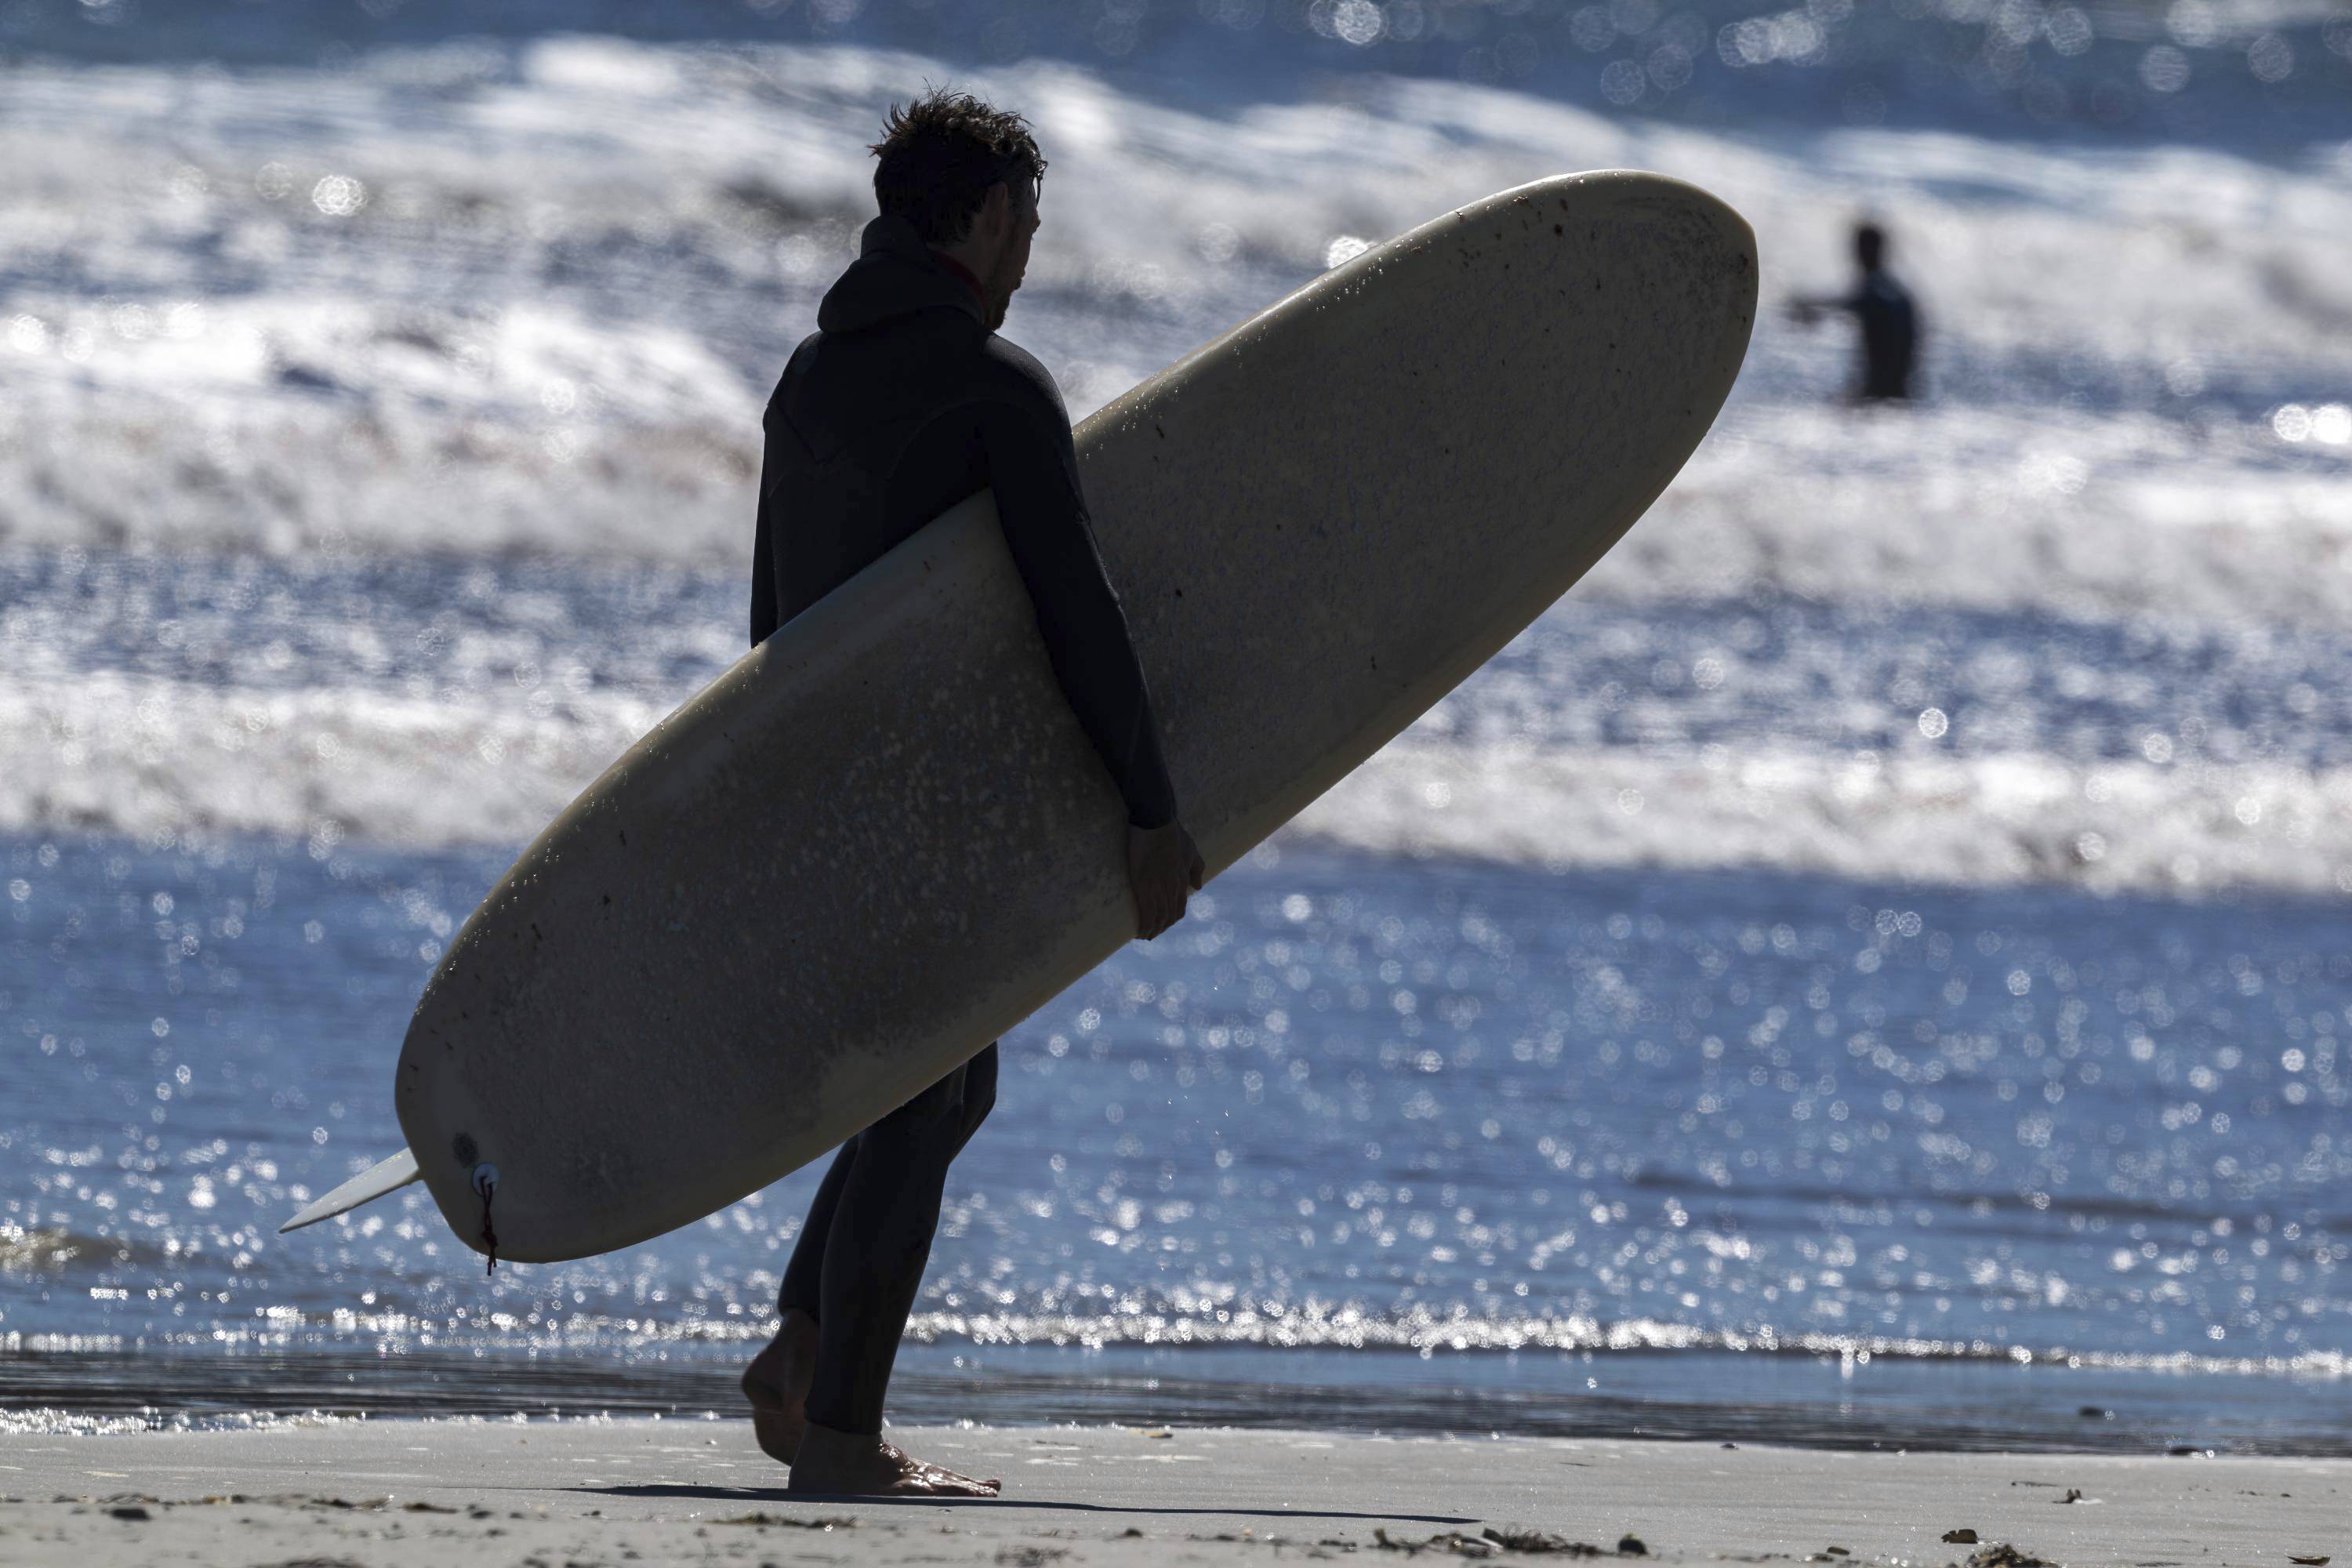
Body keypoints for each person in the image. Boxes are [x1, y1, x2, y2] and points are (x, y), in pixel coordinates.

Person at [737, 91, 1205, 1497]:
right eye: (1030, 228)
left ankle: (803, 1349)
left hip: (808, 788)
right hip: (926, 806)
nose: (1030, 260)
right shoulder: (997, 386)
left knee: (942, 1088)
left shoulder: (807, 381)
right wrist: (1148, 805)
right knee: (933, 1089)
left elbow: (768, 613)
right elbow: (1079, 609)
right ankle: (837, 1438)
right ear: (991, 218)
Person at [1788, 221, 1920, 401]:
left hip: (1877, 395)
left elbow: (1852, 302)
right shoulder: (1901, 294)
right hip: (1903, 393)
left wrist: (1810, 307)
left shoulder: (1874, 291)